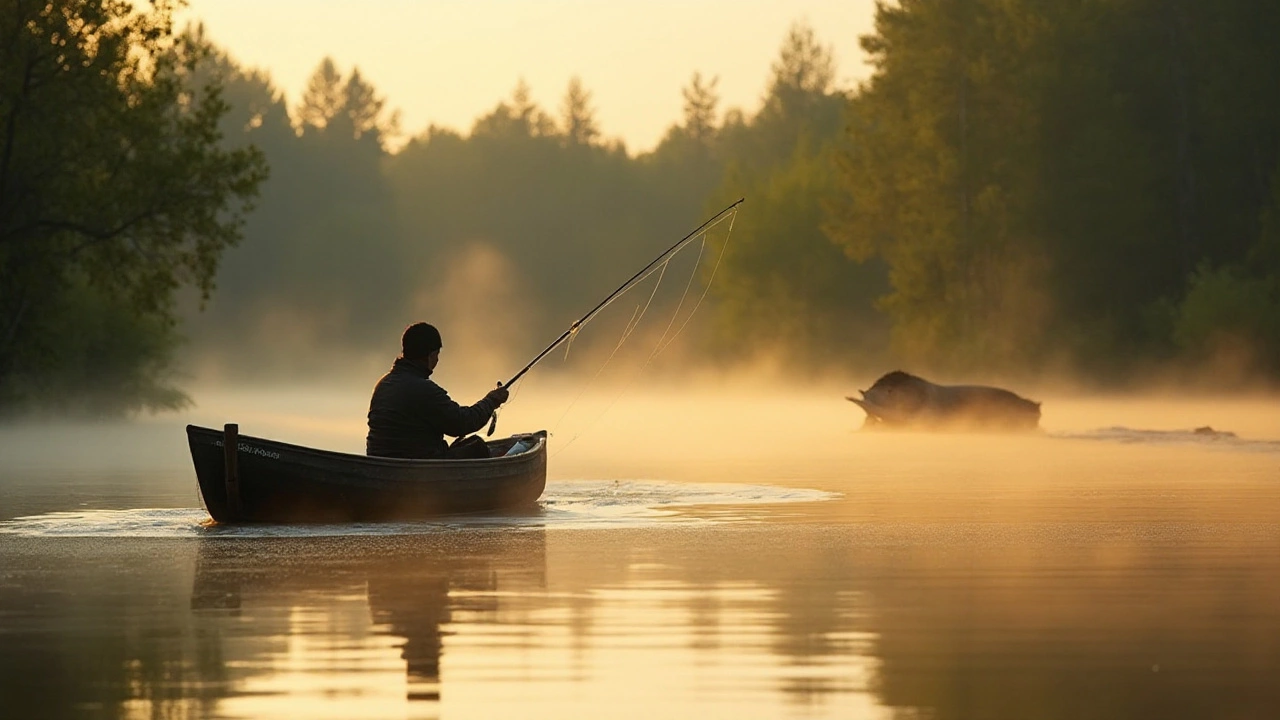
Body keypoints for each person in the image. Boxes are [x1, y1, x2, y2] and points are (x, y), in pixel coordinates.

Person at [366, 322, 510, 459]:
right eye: (437, 354)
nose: (437, 360)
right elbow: (461, 423)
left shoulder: (383, 384)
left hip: (379, 460)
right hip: (418, 467)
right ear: (431, 355)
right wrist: (492, 400)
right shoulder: (423, 389)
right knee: (477, 446)